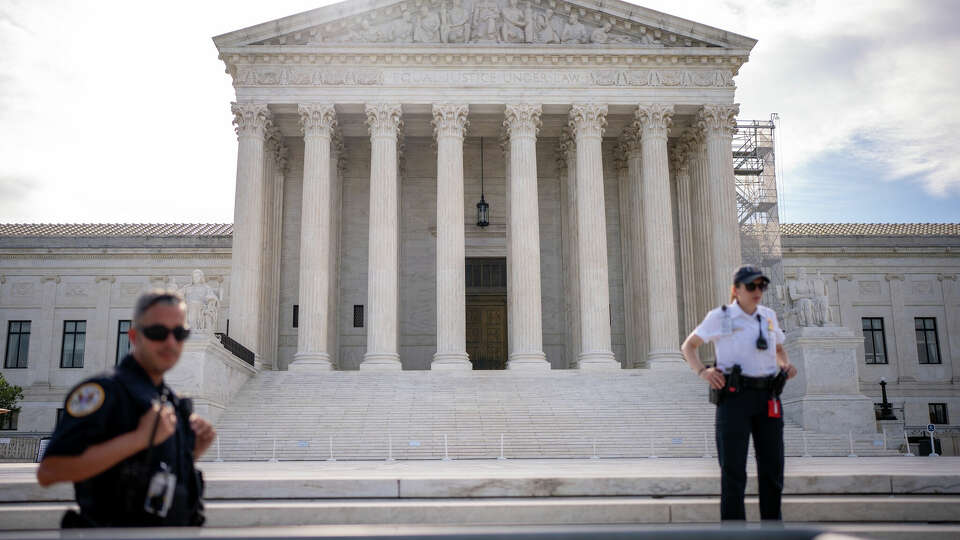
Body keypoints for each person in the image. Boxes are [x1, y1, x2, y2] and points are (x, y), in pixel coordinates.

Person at [36, 290, 215, 527]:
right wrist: (139, 437)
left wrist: (190, 451)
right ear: (134, 336)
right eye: (157, 332)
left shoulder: (169, 399)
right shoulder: (103, 391)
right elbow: (50, 471)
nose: (170, 342)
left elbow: (148, 469)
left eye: (180, 333)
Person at [680, 266, 798, 522]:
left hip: (768, 397)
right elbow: (689, 346)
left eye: (761, 286)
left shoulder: (768, 316)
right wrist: (703, 372)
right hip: (735, 398)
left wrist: (784, 364)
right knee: (733, 472)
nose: (758, 291)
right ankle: (734, 533)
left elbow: (778, 349)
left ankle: (772, 532)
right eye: (751, 286)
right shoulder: (720, 317)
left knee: (773, 471)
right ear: (736, 290)